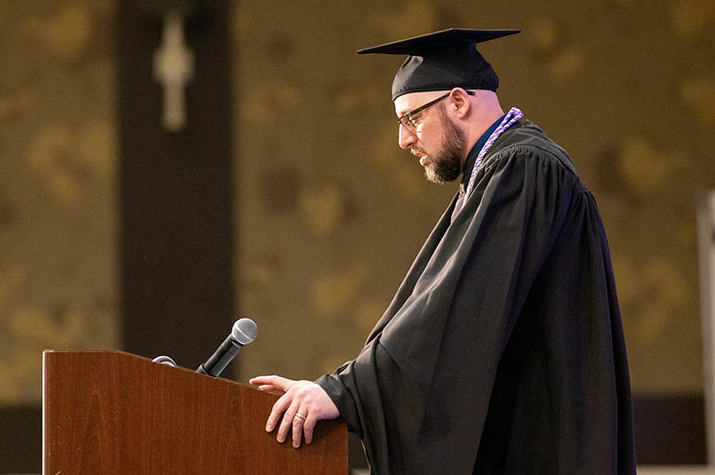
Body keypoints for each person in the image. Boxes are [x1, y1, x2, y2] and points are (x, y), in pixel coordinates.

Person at [250, 28, 636, 474]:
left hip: (543, 444)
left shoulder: (523, 167)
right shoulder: (499, 169)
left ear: (457, 101)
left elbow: (458, 309)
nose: (403, 140)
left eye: (410, 118)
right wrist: (343, 387)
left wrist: (343, 392)